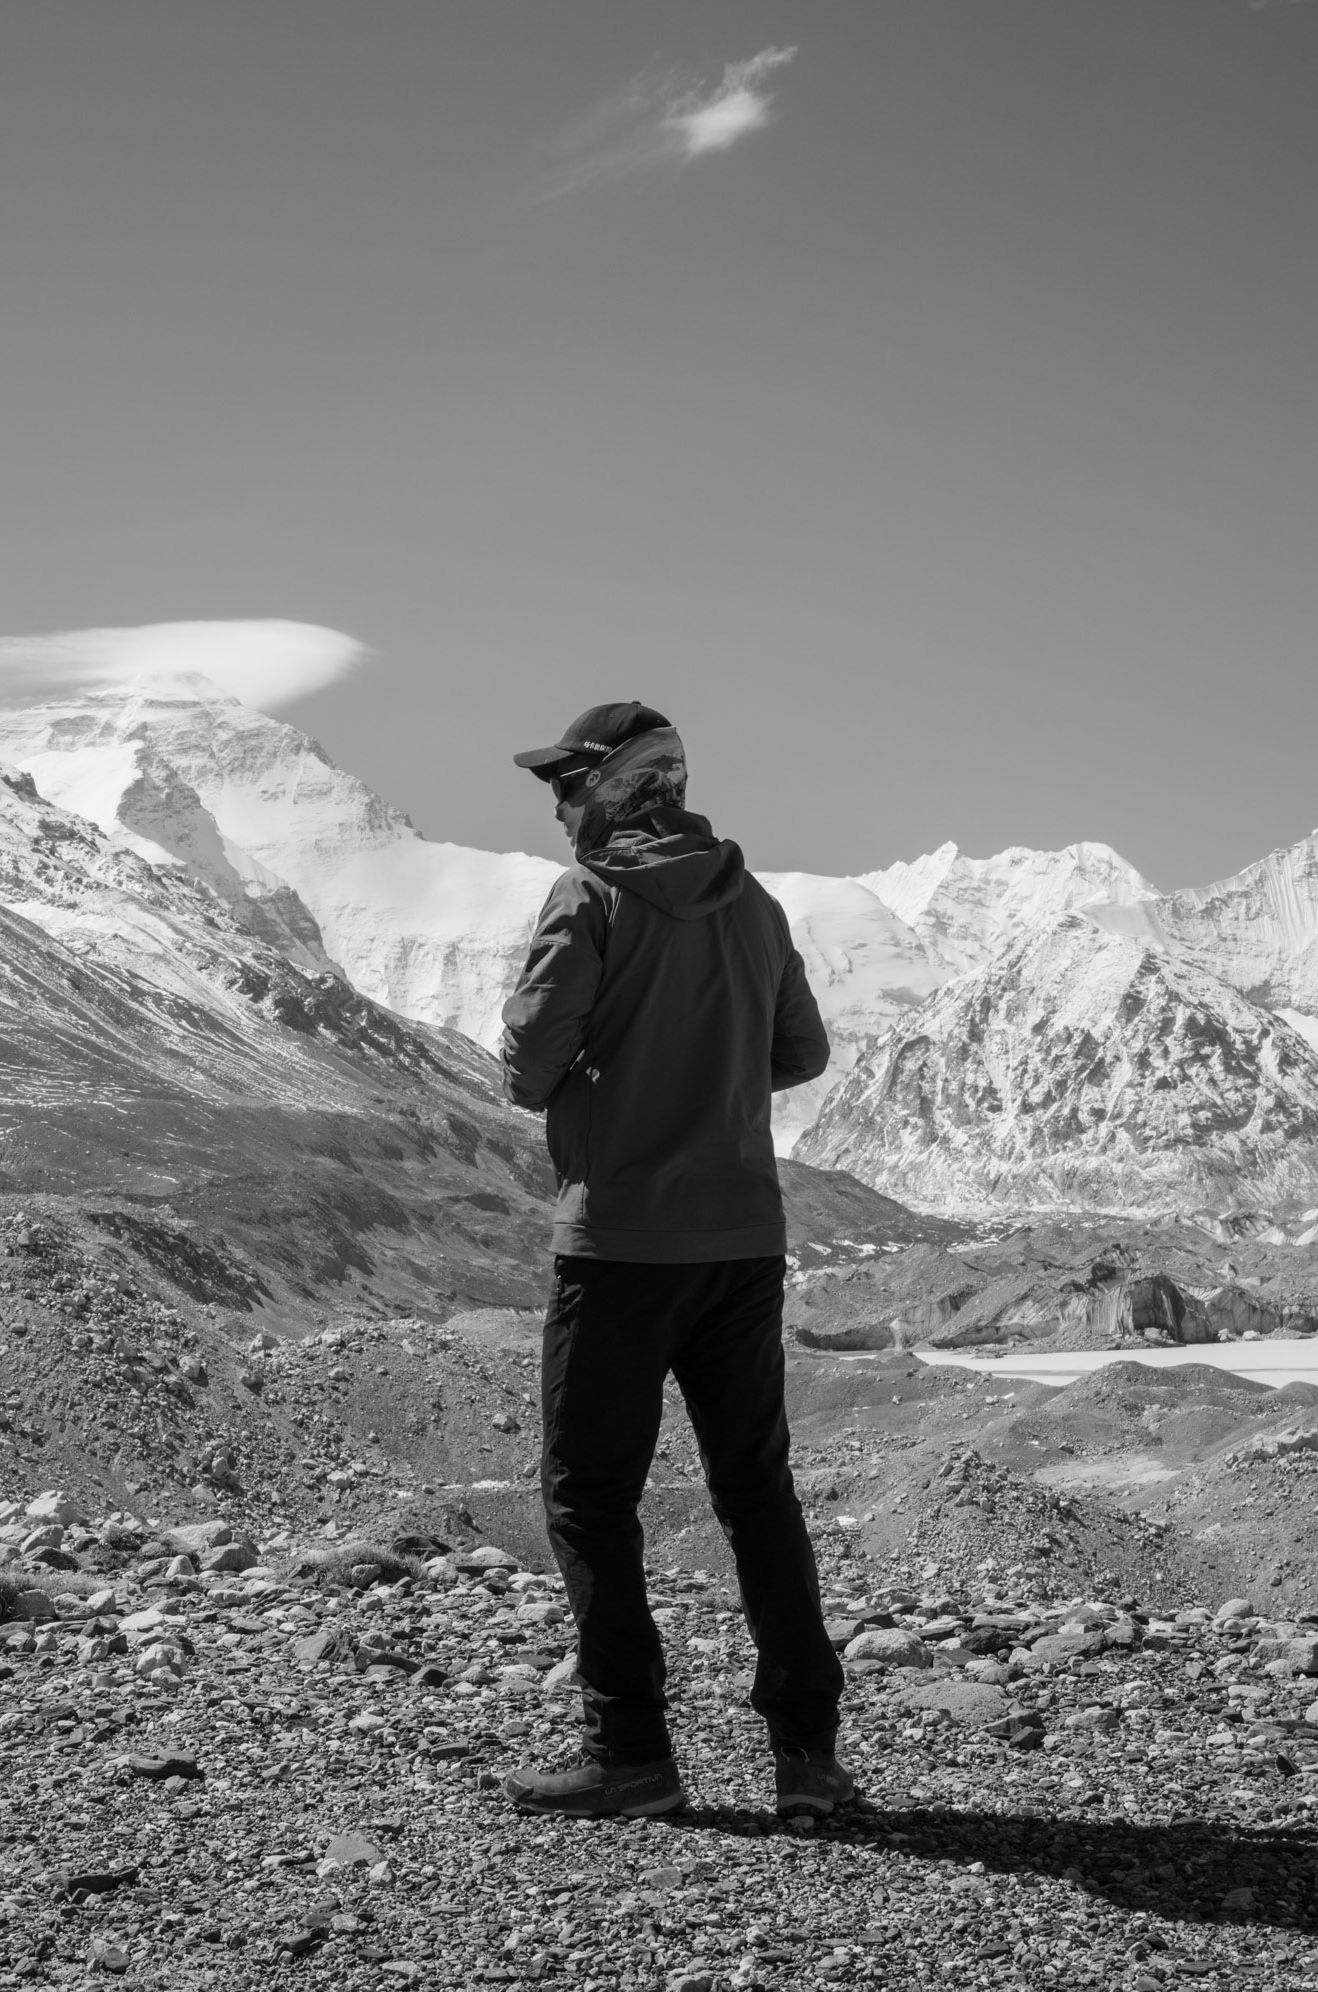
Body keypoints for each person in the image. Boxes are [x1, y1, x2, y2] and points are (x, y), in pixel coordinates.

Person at [492, 700, 854, 1820]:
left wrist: (620, 1077)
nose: (559, 809)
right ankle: (808, 1757)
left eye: (568, 787)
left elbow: (528, 1067)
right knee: (756, 1491)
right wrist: (712, 1077)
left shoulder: (590, 898)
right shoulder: (755, 903)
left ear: (613, 788)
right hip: (742, 1242)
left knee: (590, 1497)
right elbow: (803, 1050)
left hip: (620, 1244)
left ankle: (633, 1756)